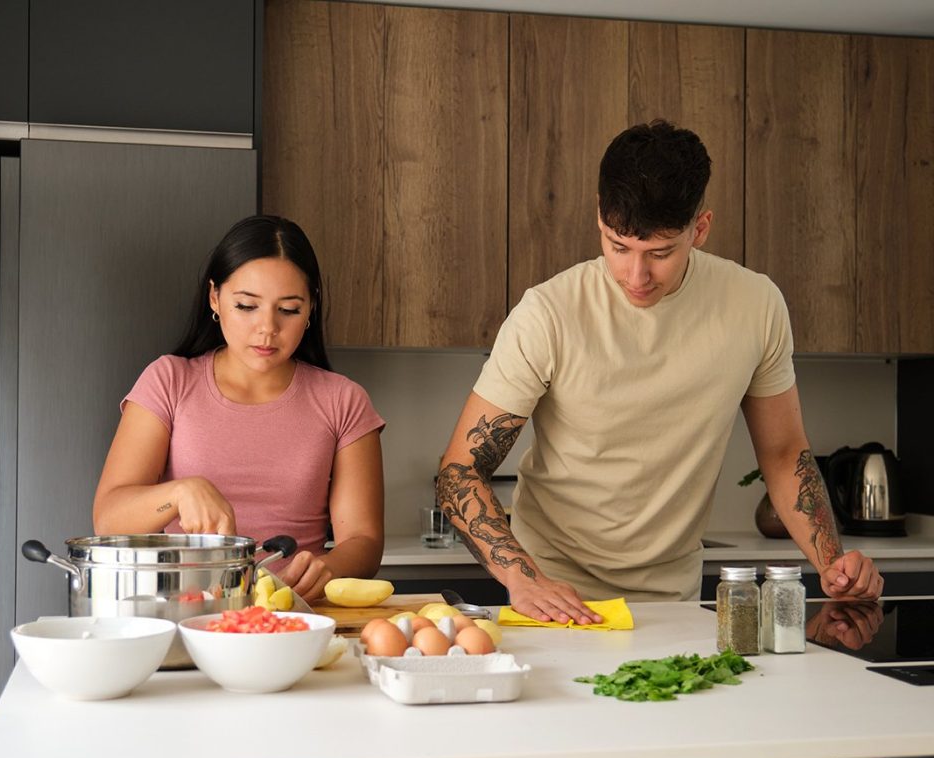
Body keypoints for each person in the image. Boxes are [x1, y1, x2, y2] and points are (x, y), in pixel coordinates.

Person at [437, 120, 884, 625]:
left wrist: (833, 564)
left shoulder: (755, 305)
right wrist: (522, 577)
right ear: (599, 218)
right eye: (617, 246)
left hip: (676, 601)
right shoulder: (548, 313)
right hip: (552, 593)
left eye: (661, 253)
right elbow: (460, 471)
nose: (636, 276)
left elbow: (783, 455)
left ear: (701, 228)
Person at [93, 215, 385, 603]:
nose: (267, 328)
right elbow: (108, 519)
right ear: (215, 298)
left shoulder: (343, 401)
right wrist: (180, 493)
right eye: (247, 306)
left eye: (289, 310)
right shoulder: (169, 381)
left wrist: (330, 568)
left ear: (311, 306)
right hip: (185, 613)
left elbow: (363, 540)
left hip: (291, 617)